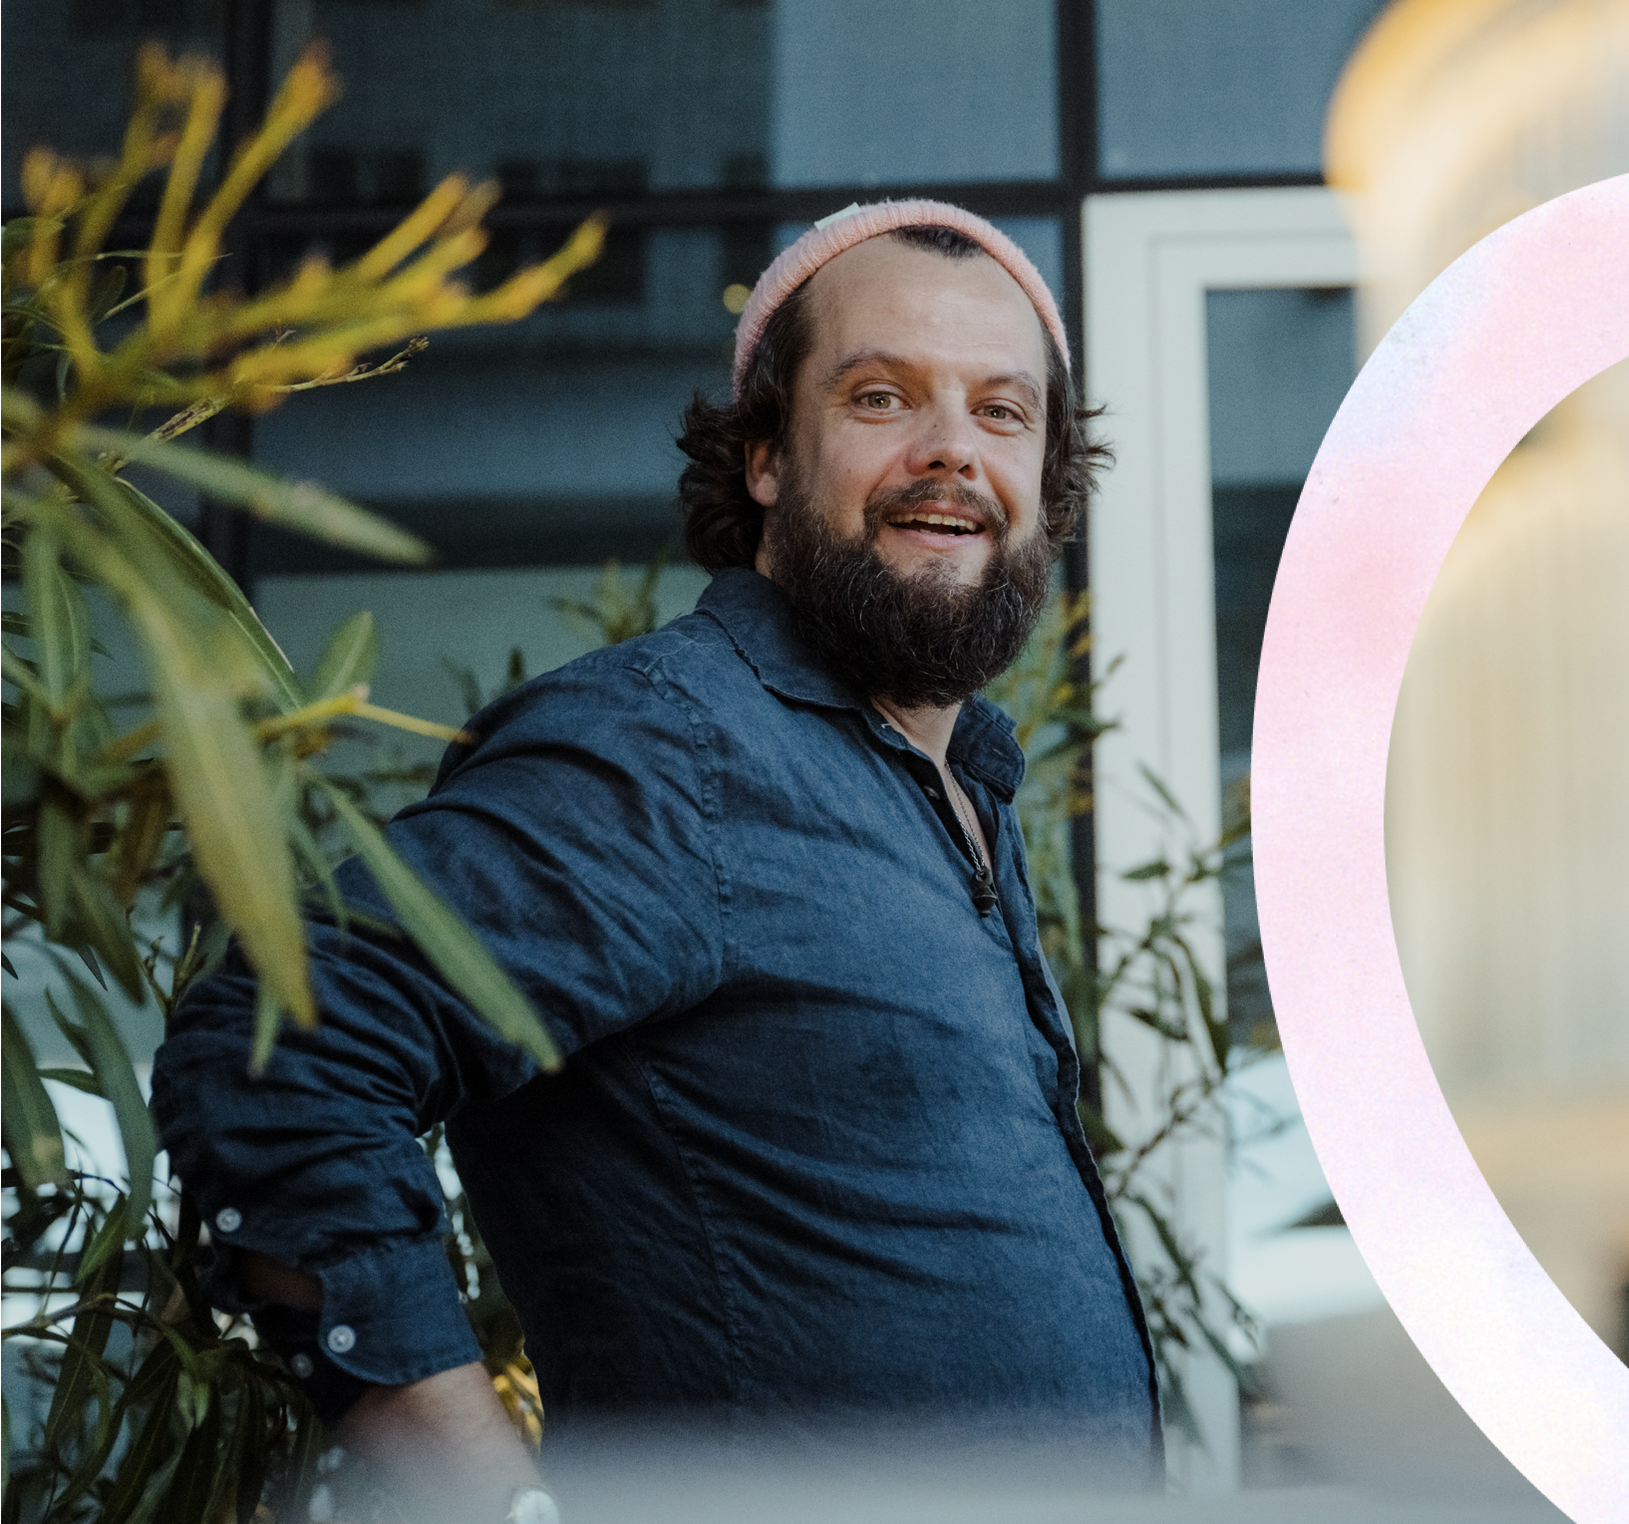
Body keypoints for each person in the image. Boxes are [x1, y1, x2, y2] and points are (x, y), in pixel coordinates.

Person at [153, 201, 1153, 1522]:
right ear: (765, 459)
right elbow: (277, 1044)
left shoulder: (957, 785)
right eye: (880, 394)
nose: (951, 451)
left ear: (1048, 477)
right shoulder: (671, 751)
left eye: (1002, 411)